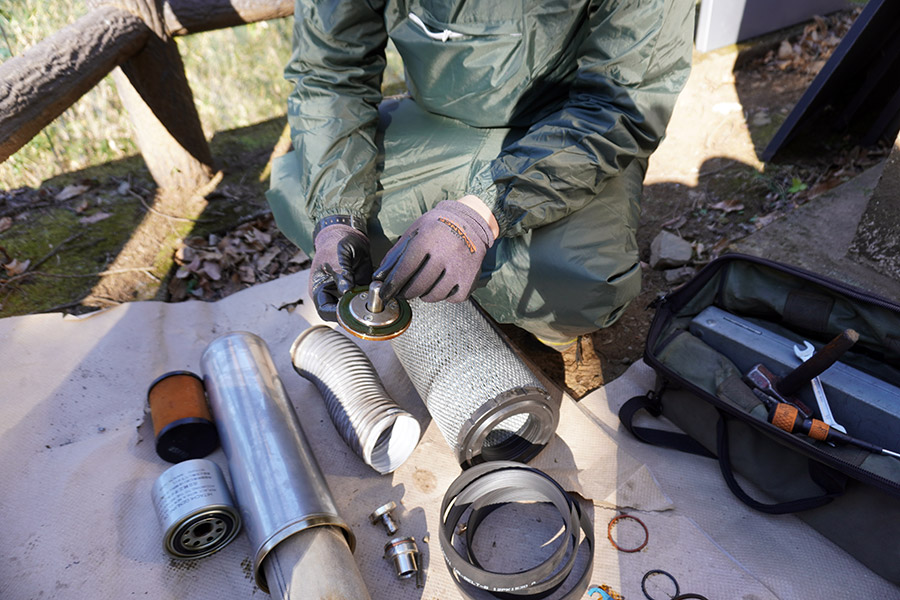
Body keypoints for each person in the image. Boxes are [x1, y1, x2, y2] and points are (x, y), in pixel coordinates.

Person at [266, 0, 695, 351]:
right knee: (294, 190)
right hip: (437, 125)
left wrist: (480, 213)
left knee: (581, 280)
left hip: (563, 136)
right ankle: (436, 267)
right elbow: (329, 75)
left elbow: (621, 106)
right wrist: (338, 216)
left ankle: (535, 326)